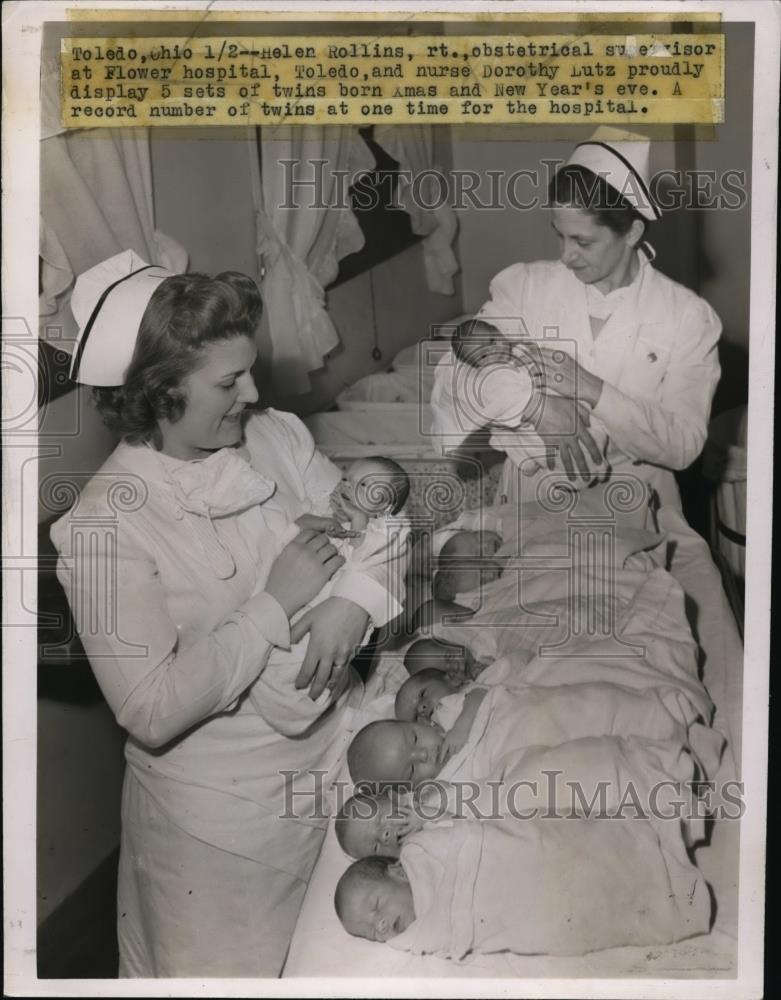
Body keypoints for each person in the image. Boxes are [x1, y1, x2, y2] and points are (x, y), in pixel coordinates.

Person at [50, 250, 407, 977]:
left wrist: (352, 600)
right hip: (219, 829)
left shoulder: (273, 436)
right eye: (227, 380)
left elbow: (385, 529)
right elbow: (150, 707)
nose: (252, 390)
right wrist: (274, 604)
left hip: (328, 764)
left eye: (248, 369)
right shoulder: (103, 528)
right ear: (157, 393)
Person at [431, 126, 722, 510]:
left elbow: (684, 443)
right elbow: (454, 374)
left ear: (632, 232)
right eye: (560, 236)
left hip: (638, 499)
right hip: (533, 498)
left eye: (583, 242)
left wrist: (592, 389)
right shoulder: (526, 286)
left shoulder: (686, 316)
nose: (567, 256)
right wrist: (532, 405)